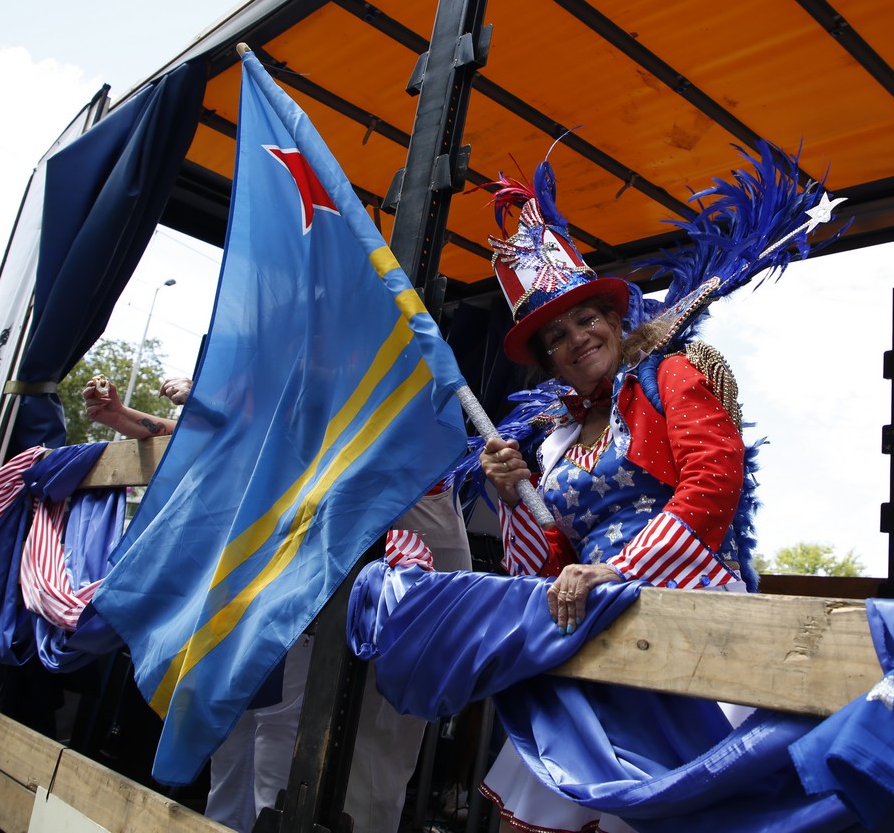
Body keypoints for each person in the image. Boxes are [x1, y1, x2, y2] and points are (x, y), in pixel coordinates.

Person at [476, 160, 758, 833]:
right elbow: (549, 566)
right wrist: (514, 497)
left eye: (585, 320)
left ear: (612, 317)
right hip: (591, 629)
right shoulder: (551, 437)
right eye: (556, 337)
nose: (576, 340)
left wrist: (620, 573)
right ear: (548, 360)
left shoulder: (670, 377)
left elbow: (714, 478)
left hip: (686, 607)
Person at [82, 373, 471, 833]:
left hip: (366, 620)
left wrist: (222, 405)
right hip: (279, 603)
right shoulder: (300, 410)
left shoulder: (392, 417)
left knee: (345, 762)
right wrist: (130, 416)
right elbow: (240, 436)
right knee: (244, 736)